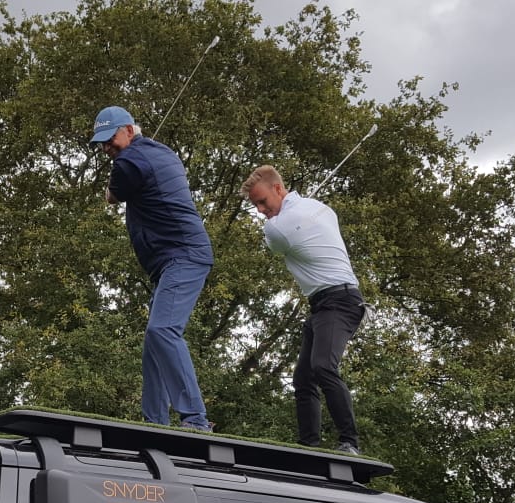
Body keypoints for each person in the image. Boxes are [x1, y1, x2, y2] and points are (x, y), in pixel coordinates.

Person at [90, 105, 213, 431]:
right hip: (173, 260)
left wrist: (112, 189)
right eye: (101, 143)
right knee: (153, 345)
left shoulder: (130, 162)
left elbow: (112, 196)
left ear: (129, 130)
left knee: (163, 331)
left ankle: (196, 419)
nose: (106, 148)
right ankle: (155, 423)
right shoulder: (160, 152)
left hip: (183, 256)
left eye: (110, 139)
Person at [242, 165, 365, 453]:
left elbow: (276, 247)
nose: (261, 210)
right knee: (303, 378)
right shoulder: (320, 208)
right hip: (324, 304)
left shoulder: (275, 229)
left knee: (323, 367)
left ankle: (350, 442)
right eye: (256, 206)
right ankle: (309, 445)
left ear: (278, 189)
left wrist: (287, 219)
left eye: (263, 202)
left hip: (340, 301)